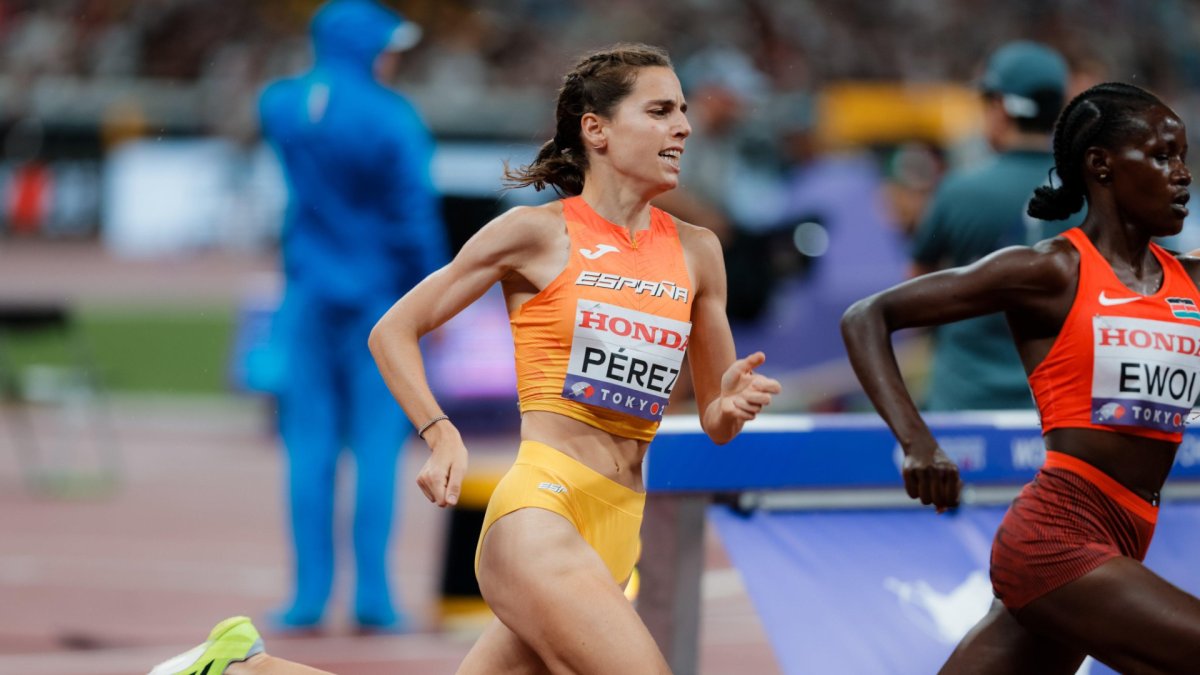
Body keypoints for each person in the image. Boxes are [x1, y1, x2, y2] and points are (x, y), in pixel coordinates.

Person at [149, 42, 780, 675]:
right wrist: (439, 432)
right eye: (661, 111)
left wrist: (731, 406)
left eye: (683, 111)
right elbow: (393, 330)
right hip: (541, 516)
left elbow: (716, 419)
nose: (684, 127)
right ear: (597, 130)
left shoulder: (699, 252)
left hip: (618, 526)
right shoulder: (535, 234)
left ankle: (239, 668)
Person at [842, 81, 1200, 673]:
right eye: (1163, 156)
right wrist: (918, 443)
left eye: (1183, 156)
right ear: (1101, 166)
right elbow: (867, 317)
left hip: (1125, 534)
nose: (1182, 174)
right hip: (1057, 538)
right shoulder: (1052, 271)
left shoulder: (1190, 282)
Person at [257, 0, 448, 631]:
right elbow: (413, 218)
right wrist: (436, 296)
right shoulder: (393, 118)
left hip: (309, 292)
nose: (393, 60)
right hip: (378, 303)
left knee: (308, 447)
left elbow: (292, 117)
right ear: (367, 49)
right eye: (388, 49)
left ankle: (308, 597)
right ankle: (372, 597)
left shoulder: (283, 105)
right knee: (375, 448)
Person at [909, 40, 1079, 411]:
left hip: (965, 401)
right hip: (1065, 409)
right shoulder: (1095, 193)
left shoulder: (958, 190)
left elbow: (915, 295)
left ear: (1000, 107)